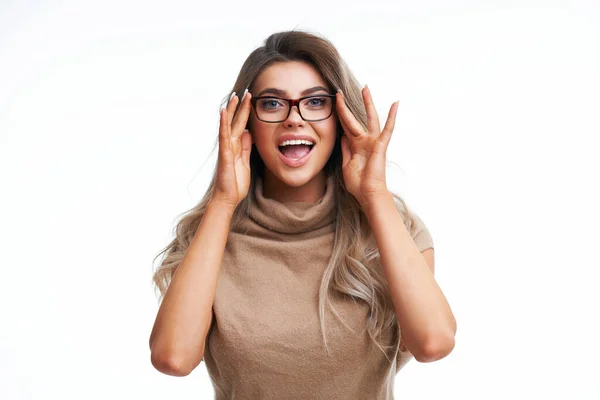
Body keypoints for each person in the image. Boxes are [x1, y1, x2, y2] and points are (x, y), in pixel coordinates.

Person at [149, 29, 456, 399]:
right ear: (246, 124)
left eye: (315, 102)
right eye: (272, 104)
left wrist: (374, 195)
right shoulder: (210, 236)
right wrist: (222, 200)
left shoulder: (394, 228)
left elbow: (434, 343)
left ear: (341, 119)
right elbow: (173, 358)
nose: (294, 119)